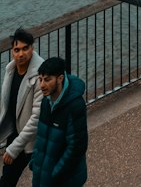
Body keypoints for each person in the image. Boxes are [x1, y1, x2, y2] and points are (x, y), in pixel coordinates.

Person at [30, 59, 87, 187]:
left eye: (47, 79)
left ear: (60, 78)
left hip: (64, 180)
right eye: (40, 79)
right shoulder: (46, 101)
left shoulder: (75, 106)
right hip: (43, 175)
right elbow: (41, 136)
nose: (42, 85)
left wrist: (55, 173)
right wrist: (35, 161)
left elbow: (77, 147)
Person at [0, 29, 41, 187]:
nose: (21, 54)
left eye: (25, 48)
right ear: (12, 51)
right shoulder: (10, 71)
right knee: (6, 182)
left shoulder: (40, 75)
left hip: (36, 140)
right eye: (17, 50)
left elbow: (36, 118)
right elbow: (7, 106)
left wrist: (13, 149)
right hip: (16, 134)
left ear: (32, 48)